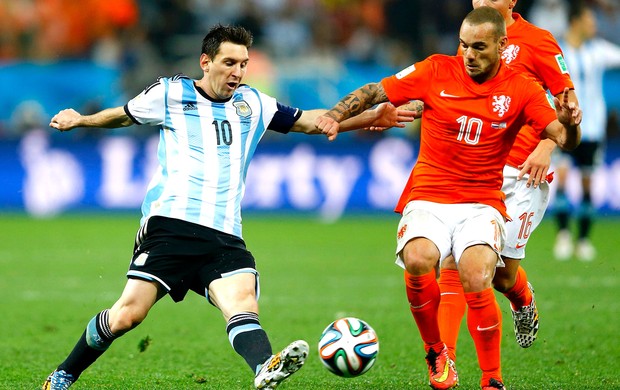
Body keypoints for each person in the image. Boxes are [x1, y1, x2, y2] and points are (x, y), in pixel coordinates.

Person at [42, 24, 414, 390]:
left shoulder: (253, 103)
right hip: (171, 225)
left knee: (242, 304)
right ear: (206, 62)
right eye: (229, 62)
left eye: (243, 63)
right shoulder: (171, 93)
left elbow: (312, 122)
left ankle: (264, 369)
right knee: (127, 316)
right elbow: (123, 114)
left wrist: (370, 116)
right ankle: (63, 375)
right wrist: (81, 120)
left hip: (224, 233)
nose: (237, 72)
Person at [316, 6, 581, 390]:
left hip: (485, 198)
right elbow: (376, 90)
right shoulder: (436, 69)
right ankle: (438, 353)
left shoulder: (522, 86)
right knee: (420, 258)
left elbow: (563, 137)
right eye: (463, 45)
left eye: (478, 47)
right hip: (430, 194)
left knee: (483, 275)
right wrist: (335, 115)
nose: (468, 55)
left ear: (501, 46)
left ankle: (492, 379)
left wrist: (570, 126)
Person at [434, 0, 580, 367]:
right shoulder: (472, 40)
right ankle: (442, 360)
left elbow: (570, 110)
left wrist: (548, 146)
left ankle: (523, 298)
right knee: (452, 262)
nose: (481, 1)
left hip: (526, 173)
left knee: (501, 276)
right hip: (481, 169)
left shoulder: (539, 41)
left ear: (511, 0)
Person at [553, 1, 620, 261]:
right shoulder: (557, 52)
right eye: (589, 20)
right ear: (576, 22)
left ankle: (582, 240)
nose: (594, 24)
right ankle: (562, 235)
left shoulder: (599, 51)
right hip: (564, 128)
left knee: (587, 183)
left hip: (592, 130)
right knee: (560, 177)